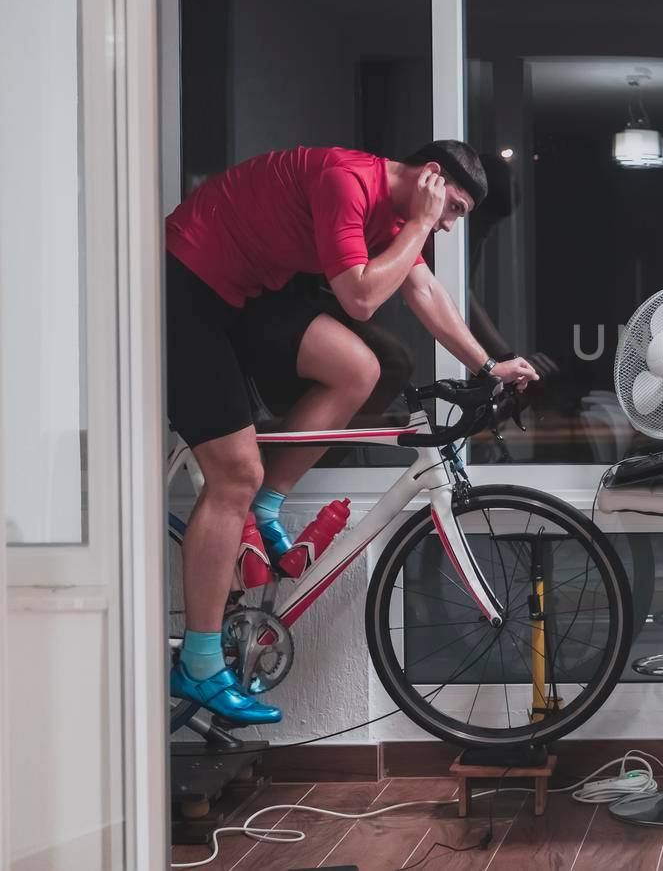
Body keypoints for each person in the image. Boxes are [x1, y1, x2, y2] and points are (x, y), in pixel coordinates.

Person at [165, 141, 540, 723]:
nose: (445, 225)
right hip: (187, 283)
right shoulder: (347, 182)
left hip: (243, 293)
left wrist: (488, 366)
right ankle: (200, 663)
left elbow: (423, 292)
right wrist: (419, 223)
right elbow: (361, 297)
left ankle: (266, 508)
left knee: (359, 369)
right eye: (453, 210)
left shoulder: (394, 210)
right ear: (432, 177)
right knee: (234, 472)